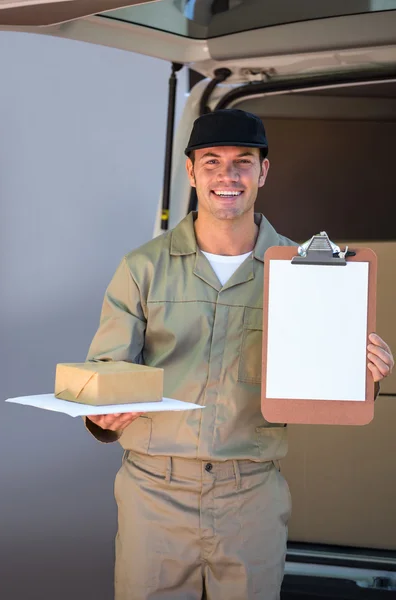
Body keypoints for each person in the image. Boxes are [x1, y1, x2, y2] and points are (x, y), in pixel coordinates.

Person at [84, 109, 394, 600]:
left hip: (249, 494)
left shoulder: (306, 272)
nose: (227, 175)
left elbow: (330, 381)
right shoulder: (142, 267)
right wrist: (105, 411)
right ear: (191, 172)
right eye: (212, 161)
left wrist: (364, 374)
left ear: (263, 172)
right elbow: (104, 372)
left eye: (243, 162)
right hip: (154, 493)